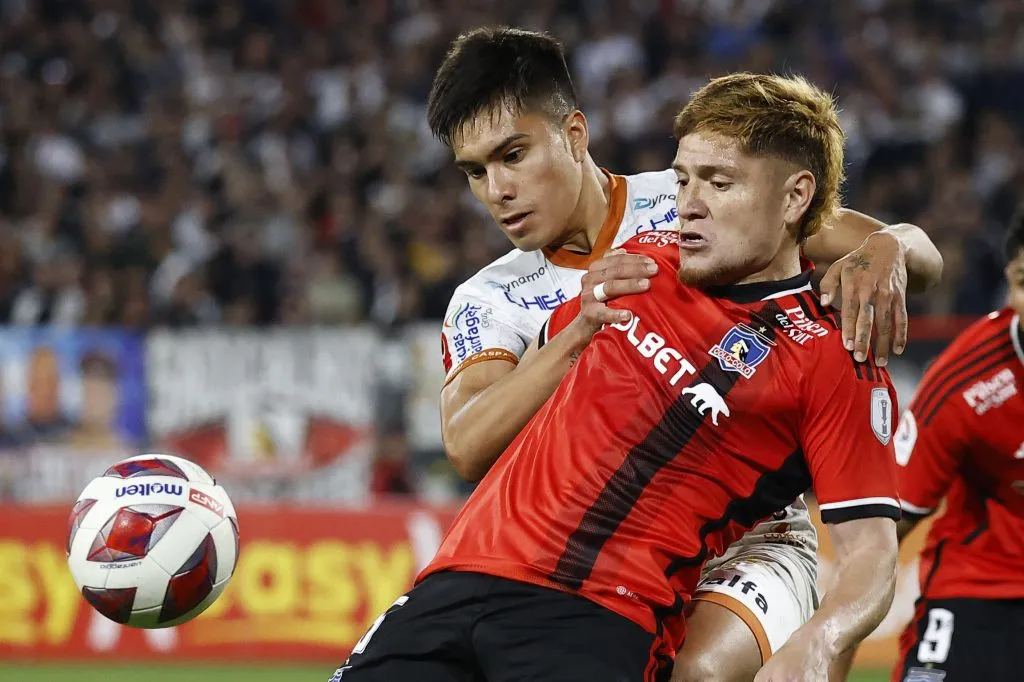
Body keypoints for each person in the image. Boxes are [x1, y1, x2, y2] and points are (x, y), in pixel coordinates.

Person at [330, 72, 903, 682]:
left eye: (719, 183)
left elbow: (871, 551)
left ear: (794, 199)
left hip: (595, 609)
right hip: (455, 582)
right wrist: (575, 329)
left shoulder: (835, 354)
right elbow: (473, 442)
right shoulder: (633, 269)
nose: (690, 202)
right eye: (683, 179)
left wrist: (823, 641)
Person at [834, 210, 1024, 682]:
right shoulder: (966, 383)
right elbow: (883, 534)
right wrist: (829, 659)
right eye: (1023, 281)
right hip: (981, 590)